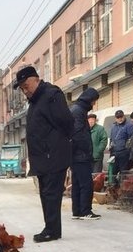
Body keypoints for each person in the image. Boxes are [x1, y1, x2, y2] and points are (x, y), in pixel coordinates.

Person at [14, 65, 73, 242]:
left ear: (36, 79)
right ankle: (50, 227)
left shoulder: (51, 95)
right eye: (22, 89)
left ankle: (52, 230)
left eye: (26, 86)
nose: (25, 91)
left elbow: (66, 122)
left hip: (52, 155)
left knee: (51, 194)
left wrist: (54, 144)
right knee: (45, 193)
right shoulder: (36, 100)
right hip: (42, 157)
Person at [70, 87, 101, 220]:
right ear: (89, 99)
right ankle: (85, 211)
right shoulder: (79, 112)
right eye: (94, 101)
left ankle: (77, 211)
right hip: (80, 155)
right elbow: (78, 134)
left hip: (75, 155)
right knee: (86, 183)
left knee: (77, 183)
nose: (94, 104)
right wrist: (86, 150)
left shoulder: (77, 109)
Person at [108, 109, 133, 190]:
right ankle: (114, 189)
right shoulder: (113, 127)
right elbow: (111, 139)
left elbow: (132, 139)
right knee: (113, 172)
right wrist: (111, 148)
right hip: (114, 153)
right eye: (118, 117)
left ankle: (123, 190)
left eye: (121, 117)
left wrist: (128, 149)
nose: (120, 119)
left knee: (123, 172)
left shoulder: (129, 125)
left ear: (124, 116)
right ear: (115, 118)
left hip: (124, 153)